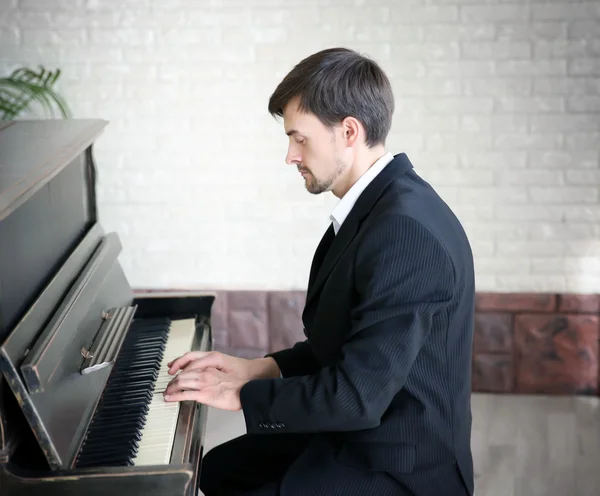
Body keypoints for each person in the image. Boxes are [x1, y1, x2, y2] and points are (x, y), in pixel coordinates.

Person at [164, 47, 475, 496]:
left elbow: (356, 396)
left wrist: (239, 397)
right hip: (359, 432)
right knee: (216, 469)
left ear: (349, 131)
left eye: (299, 137)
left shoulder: (405, 233)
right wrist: (255, 370)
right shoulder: (379, 208)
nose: (290, 155)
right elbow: (347, 348)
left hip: (398, 467)